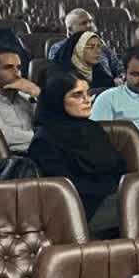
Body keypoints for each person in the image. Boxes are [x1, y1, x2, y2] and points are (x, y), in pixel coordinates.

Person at [29, 70, 128, 236]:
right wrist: (116, 191)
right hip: (79, 212)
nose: (87, 100)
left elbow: (119, 166)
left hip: (112, 199)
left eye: (87, 93)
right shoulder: (44, 141)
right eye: (77, 95)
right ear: (57, 100)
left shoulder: (92, 128)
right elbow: (66, 188)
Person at [49, 9, 122, 76]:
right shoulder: (58, 48)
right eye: (84, 23)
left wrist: (120, 78)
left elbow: (118, 69)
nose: (90, 25)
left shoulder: (102, 46)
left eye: (91, 21)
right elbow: (58, 75)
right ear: (70, 29)